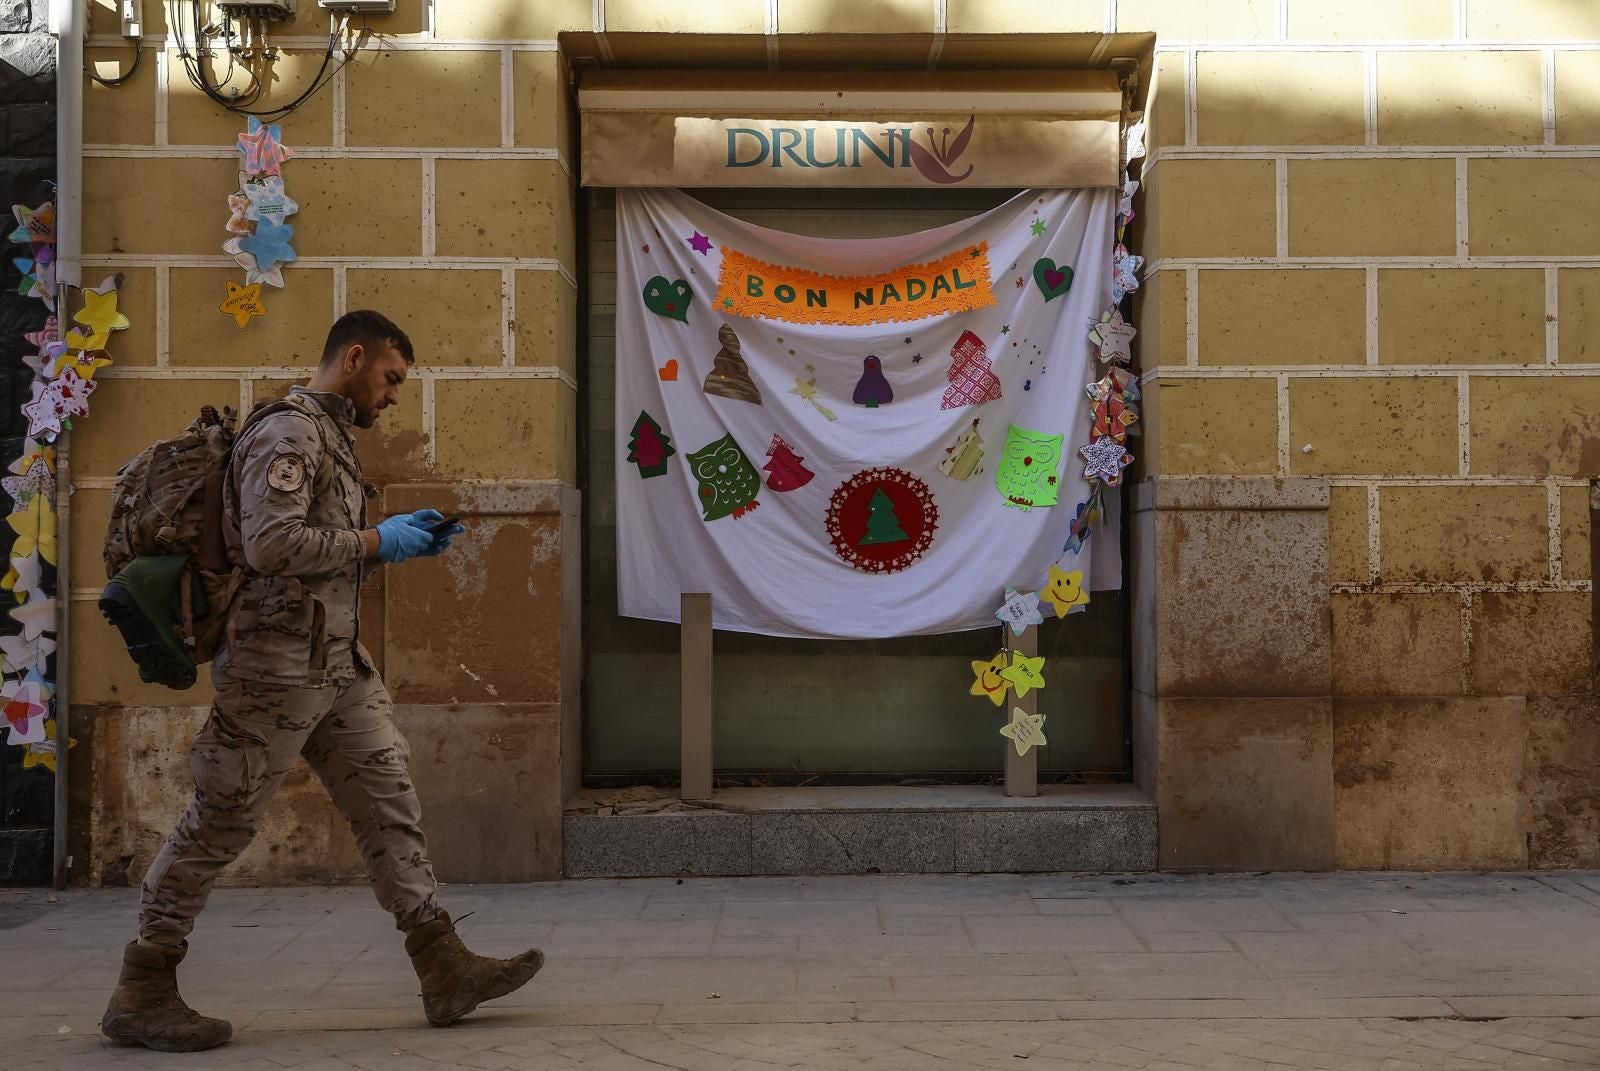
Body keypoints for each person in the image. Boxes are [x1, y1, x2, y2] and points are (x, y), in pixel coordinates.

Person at [101, 311, 544, 1053]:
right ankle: (143, 984)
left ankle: (443, 962)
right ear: (356, 358)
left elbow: (320, 551)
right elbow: (273, 546)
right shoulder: (290, 432)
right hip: (273, 672)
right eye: (392, 379)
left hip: (333, 666)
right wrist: (379, 538)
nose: (395, 395)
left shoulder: (330, 436)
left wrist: (398, 541)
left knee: (387, 796)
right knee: (221, 818)